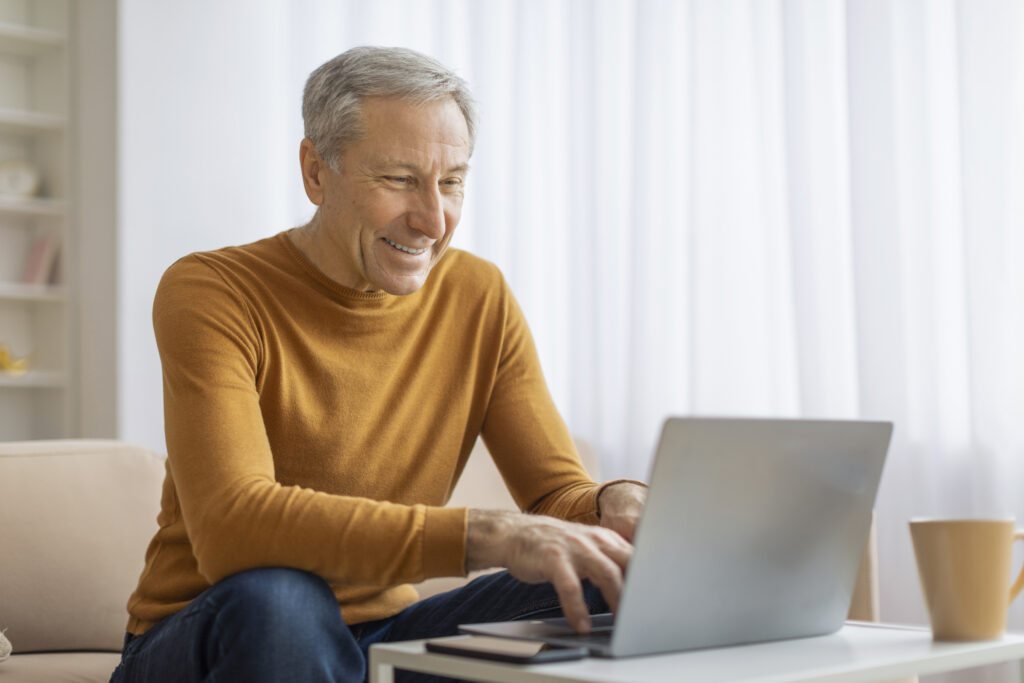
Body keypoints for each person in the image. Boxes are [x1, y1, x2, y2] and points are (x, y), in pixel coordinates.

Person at [110, 46, 647, 683]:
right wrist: (491, 536)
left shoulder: (478, 295)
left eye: (451, 182)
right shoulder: (213, 289)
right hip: (216, 630)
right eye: (397, 179)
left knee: (616, 577)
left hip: (387, 634)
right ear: (315, 171)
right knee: (284, 598)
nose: (432, 219)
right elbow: (234, 526)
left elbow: (558, 495)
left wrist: (616, 502)